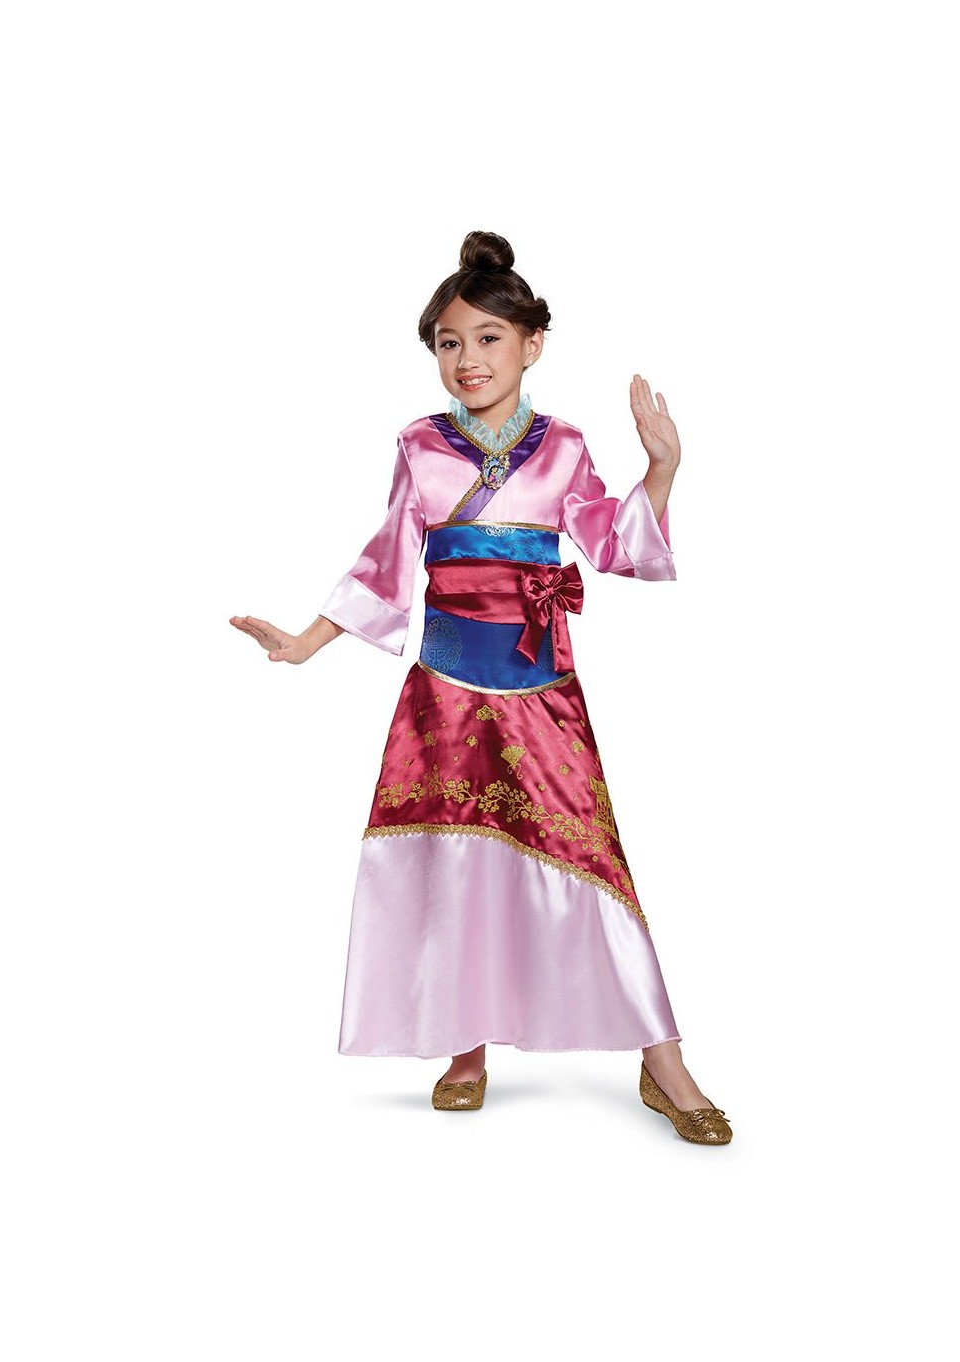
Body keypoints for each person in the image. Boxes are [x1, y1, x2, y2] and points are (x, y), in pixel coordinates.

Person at [231, 231, 732, 1145]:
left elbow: (612, 545)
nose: (467, 358)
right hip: (445, 691)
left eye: (489, 339)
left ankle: (663, 1063)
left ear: (532, 343)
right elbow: (388, 557)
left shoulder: (563, 447)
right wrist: (306, 642)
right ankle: (465, 1049)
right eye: (449, 343)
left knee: (594, 859)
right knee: (457, 860)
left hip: (543, 686)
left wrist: (661, 471)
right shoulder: (420, 446)